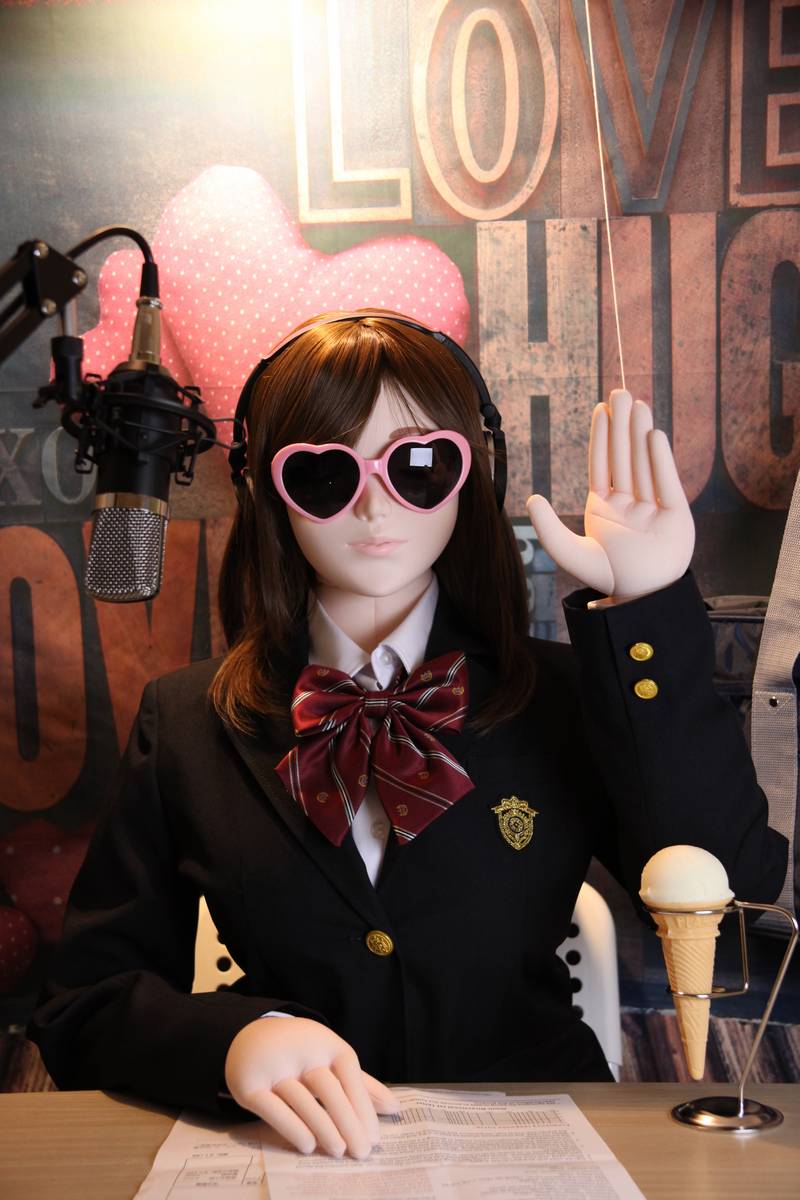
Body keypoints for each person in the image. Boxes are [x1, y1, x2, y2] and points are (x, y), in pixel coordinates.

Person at [29, 311, 787, 1161]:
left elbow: (736, 893)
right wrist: (231, 1041)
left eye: (417, 466)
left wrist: (645, 612)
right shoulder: (185, 720)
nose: (371, 505)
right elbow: (84, 1001)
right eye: (322, 473)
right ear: (266, 492)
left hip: (534, 1141)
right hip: (293, 1150)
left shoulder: (564, 696)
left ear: (472, 476)